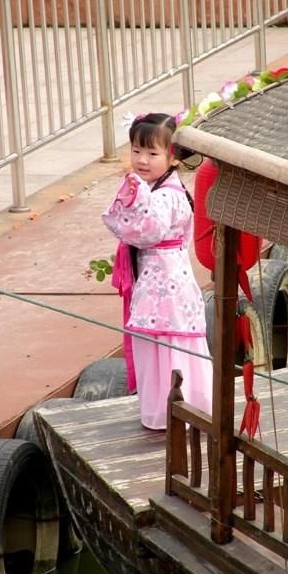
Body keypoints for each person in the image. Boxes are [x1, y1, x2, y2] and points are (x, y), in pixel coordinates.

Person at [102, 112, 213, 430]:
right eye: (137, 151)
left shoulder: (166, 196)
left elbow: (146, 231)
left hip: (165, 281)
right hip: (164, 277)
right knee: (166, 343)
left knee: (166, 343)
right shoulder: (163, 190)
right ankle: (177, 411)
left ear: (173, 157)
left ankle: (169, 414)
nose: (142, 160)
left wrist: (131, 200)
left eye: (152, 153)